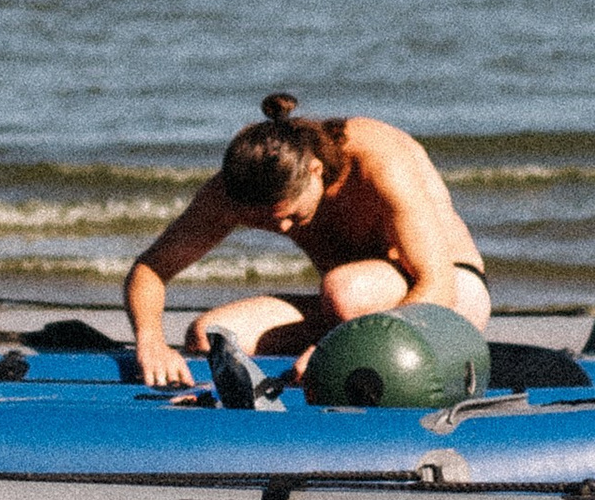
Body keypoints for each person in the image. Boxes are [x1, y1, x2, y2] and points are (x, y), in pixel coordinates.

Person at [123, 96, 490, 389]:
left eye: (290, 215)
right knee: (211, 337)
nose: (282, 228)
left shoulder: (376, 156)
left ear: (315, 170)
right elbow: (150, 269)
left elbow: (437, 285)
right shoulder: (235, 189)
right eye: (268, 219)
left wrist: (343, 350)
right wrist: (151, 341)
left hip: (451, 296)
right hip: (350, 311)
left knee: (344, 291)